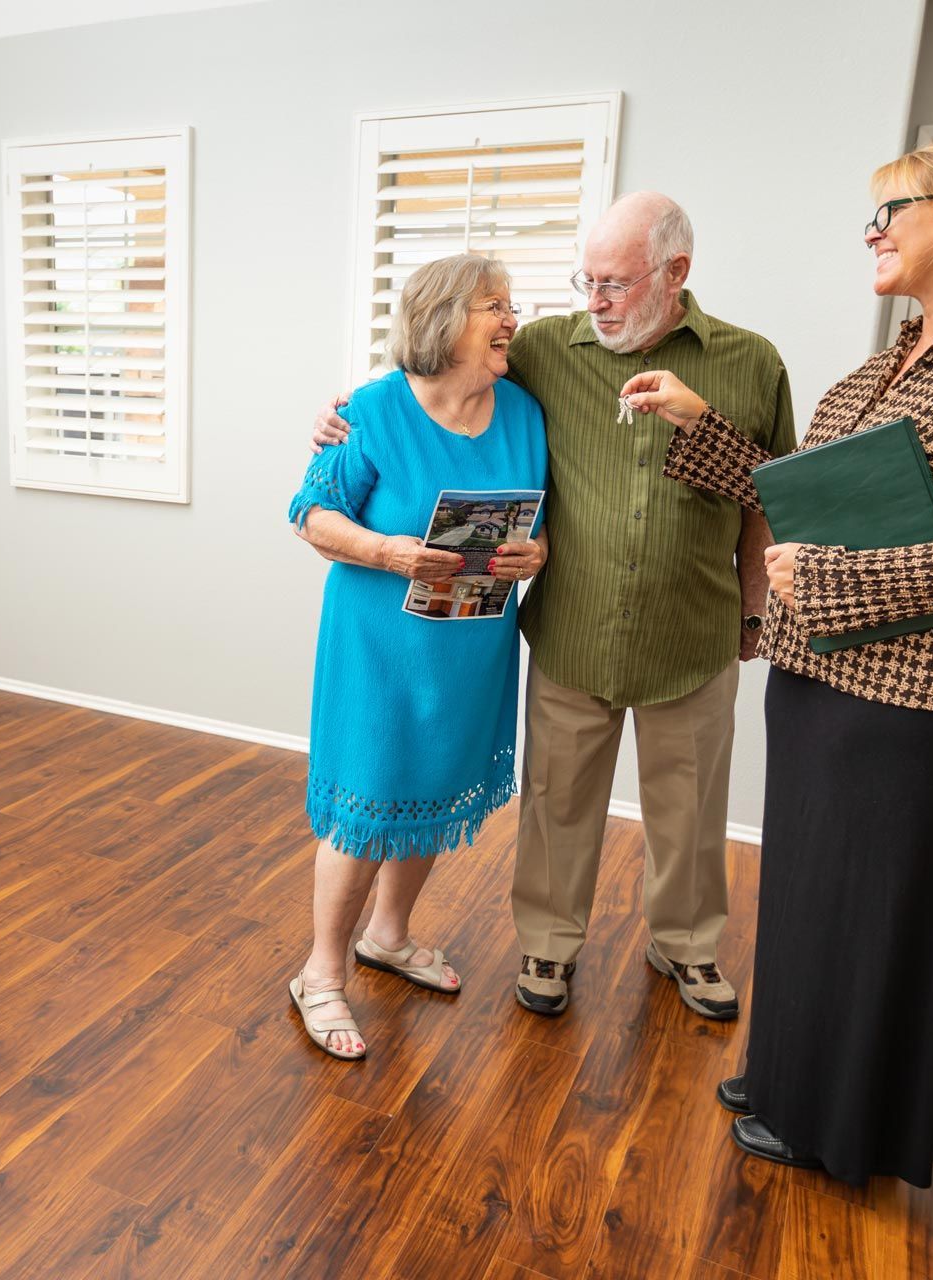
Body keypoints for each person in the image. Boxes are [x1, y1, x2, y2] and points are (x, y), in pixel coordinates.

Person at [621, 134, 933, 1186]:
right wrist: (704, 425)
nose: (872, 232)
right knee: (809, 892)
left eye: (893, 210)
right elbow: (812, 496)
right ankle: (792, 1069)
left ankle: (841, 1122)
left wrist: (833, 581)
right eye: (870, 216)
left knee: (878, 912)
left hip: (924, 702)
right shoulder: (889, 359)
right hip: (823, 676)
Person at [316, 194, 796, 1020]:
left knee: (689, 806)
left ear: (675, 273)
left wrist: (757, 612)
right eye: (588, 279)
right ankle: (546, 945)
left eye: (615, 283)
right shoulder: (544, 351)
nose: (595, 300)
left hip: (692, 624)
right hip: (572, 626)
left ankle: (685, 946)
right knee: (558, 801)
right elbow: (432, 375)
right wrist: (340, 417)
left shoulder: (749, 362)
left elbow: (771, 495)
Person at [286, 254, 548, 1060]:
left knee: (434, 786)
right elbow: (309, 514)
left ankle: (388, 938)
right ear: (442, 321)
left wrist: (536, 553)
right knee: (369, 798)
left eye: (511, 305)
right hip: (379, 647)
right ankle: (320, 973)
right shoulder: (371, 411)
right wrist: (389, 551)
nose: (511, 319)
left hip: (471, 645)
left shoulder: (525, 414)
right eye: (493, 306)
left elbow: (542, 520)